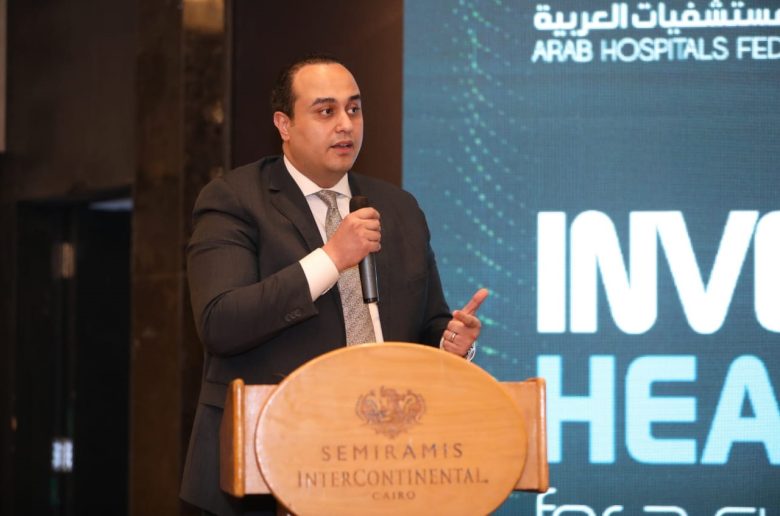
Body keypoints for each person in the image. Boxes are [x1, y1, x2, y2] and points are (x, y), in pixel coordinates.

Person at [180, 54, 488, 515]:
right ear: (284, 124)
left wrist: (449, 344)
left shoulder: (399, 207)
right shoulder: (234, 200)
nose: (345, 124)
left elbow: (426, 323)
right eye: (326, 111)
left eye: (354, 109)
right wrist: (331, 259)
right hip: (263, 468)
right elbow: (221, 323)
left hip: (382, 466)